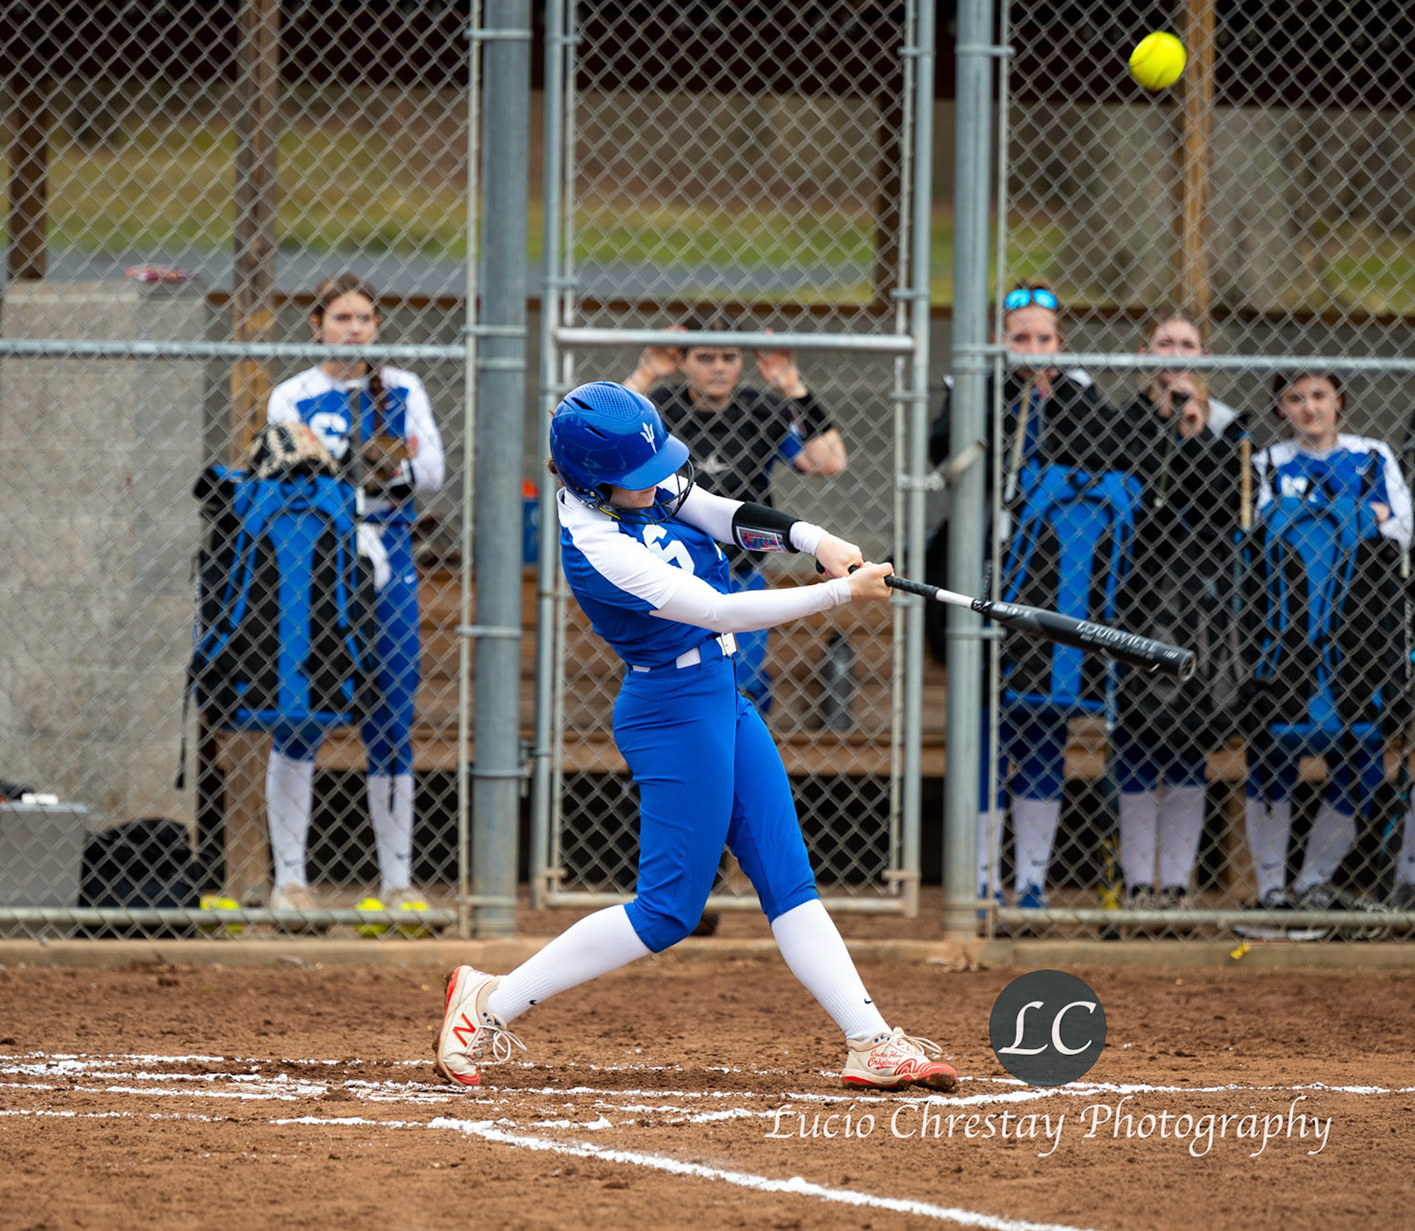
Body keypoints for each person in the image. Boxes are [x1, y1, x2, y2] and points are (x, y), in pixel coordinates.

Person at [434, 381, 955, 1093]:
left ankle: (871, 1042)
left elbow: (719, 512)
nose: (657, 485)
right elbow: (719, 610)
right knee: (667, 911)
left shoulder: (632, 485)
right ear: (593, 483)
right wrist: (841, 593)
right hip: (671, 713)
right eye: (639, 477)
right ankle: (488, 1003)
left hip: (720, 696)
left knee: (788, 880)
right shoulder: (594, 544)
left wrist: (815, 540)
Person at [932, 283, 1135, 915]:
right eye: (1021, 338)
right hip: (982, 574)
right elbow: (945, 451)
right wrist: (1006, 399)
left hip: (1054, 581)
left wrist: (1054, 399)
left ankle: (1031, 882)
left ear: (1059, 343)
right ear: (1001, 340)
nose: (1033, 350)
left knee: (1044, 730)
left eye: (1044, 339)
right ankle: (980, 879)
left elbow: (1099, 461)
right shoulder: (975, 384)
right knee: (986, 733)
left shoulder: (1077, 393)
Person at [259, 274, 445, 923]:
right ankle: (290, 881)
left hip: (388, 556)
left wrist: (387, 467)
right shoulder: (293, 394)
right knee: (300, 715)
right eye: (341, 317)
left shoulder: (402, 388)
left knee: (391, 716)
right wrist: (355, 468)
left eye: (365, 318)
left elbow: (432, 471)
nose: (355, 329)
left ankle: (397, 882)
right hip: (316, 565)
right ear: (317, 325)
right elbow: (284, 471)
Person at [622, 311, 847, 711]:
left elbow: (829, 461)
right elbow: (607, 447)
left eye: (729, 357)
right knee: (674, 682)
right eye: (705, 358)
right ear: (682, 361)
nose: (719, 368)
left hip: (740, 568)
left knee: (737, 682)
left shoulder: (761, 410)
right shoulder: (661, 409)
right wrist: (647, 372)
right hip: (671, 570)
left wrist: (792, 386)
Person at [1244, 372, 1411, 911]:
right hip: (1288, 631)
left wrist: (1306, 518)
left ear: (1339, 400)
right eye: (1295, 398)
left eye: (1320, 395)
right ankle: (1271, 890)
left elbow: (1401, 529)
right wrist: (1358, 515)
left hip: (1357, 633)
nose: (1309, 408)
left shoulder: (1373, 456)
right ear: (1280, 407)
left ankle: (1312, 882)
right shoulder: (1267, 462)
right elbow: (1254, 532)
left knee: (1362, 759)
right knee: (1272, 756)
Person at [1110, 310, 1241, 909]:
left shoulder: (1227, 428)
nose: (1176, 353)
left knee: (1189, 738)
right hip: (1137, 598)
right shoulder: (1124, 424)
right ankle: (1140, 884)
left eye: (1187, 344)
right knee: (1137, 738)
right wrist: (1164, 432)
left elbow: (1225, 510)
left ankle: (1179, 885)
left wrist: (1196, 434)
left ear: (1203, 358)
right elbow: (1143, 504)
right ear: (1146, 354)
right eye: (1165, 343)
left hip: (1201, 608)